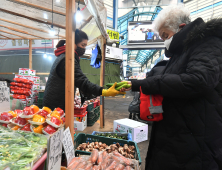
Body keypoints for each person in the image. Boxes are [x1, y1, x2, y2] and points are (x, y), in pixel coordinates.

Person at [121, 4, 222, 170]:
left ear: (181, 27)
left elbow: (198, 80)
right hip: (179, 137)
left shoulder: (208, 42)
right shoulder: (181, 51)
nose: (164, 41)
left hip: (195, 143)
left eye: (165, 35)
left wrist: (147, 83)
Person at [43, 29, 124, 111]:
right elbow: (82, 81)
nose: (84, 49)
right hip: (55, 105)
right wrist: (103, 91)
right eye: (82, 45)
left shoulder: (66, 56)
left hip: (56, 102)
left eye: (85, 46)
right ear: (72, 44)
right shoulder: (67, 60)